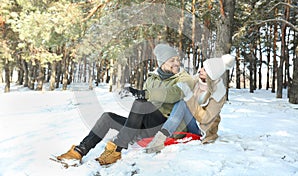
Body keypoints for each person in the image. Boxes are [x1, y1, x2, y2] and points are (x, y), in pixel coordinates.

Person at [56, 43, 194, 165]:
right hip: (146, 125)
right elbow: (145, 101)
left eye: (177, 59)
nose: (177, 63)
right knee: (107, 117)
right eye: (172, 60)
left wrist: (143, 94)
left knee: (142, 103)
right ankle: (79, 151)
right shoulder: (152, 78)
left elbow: (174, 93)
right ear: (162, 62)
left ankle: (117, 149)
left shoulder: (185, 78)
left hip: (166, 125)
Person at [145, 54, 235, 153]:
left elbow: (206, 119)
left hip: (202, 128)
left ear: (211, 75)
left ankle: (161, 138)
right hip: (188, 120)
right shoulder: (196, 79)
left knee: (183, 103)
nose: (200, 70)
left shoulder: (219, 93)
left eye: (204, 70)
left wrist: (189, 97)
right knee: (181, 101)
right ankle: (161, 134)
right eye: (202, 67)